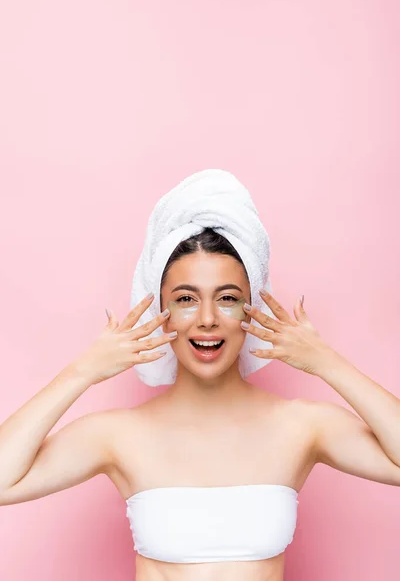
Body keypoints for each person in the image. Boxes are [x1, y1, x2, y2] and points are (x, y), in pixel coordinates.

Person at [1, 194, 400, 581]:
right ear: (161, 313)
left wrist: (328, 363)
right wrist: (81, 372)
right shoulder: (118, 435)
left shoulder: (301, 426)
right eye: (186, 299)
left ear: (252, 309)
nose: (207, 319)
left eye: (227, 298)